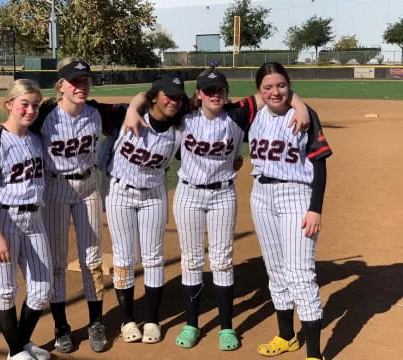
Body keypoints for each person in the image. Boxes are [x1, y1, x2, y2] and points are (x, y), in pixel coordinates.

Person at [123, 67, 310, 352]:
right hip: (188, 194)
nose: (214, 95)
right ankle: (192, 324)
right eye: (208, 90)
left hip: (223, 194)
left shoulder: (238, 113)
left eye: (219, 90)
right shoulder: (184, 114)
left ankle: (226, 327)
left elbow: (273, 95)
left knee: (222, 260)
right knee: (192, 260)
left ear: (225, 93)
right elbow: (147, 96)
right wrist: (132, 110)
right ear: (197, 95)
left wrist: (300, 107)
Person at [249, 62, 331, 360]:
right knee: (276, 271)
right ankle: (286, 336)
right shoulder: (254, 115)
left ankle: (313, 354)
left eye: (281, 85)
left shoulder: (305, 116)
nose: (275, 91)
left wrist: (315, 208)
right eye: (268, 87)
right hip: (261, 195)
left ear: (289, 85)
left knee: (299, 273)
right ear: (259, 92)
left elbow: (320, 164)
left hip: (296, 195)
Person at [101, 74, 188, 344]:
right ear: (154, 97)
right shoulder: (124, 116)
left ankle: (152, 319)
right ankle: (127, 319)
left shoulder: (179, 129)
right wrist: (132, 107)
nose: (173, 101)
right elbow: (88, 106)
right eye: (168, 95)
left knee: (153, 257)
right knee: (124, 258)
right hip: (119, 192)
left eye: (177, 97)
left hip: (153, 196)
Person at [30, 57, 108, 353]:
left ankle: (96, 323)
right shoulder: (44, 115)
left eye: (85, 80)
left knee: (93, 258)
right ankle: (62, 327)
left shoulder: (97, 112)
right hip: (55, 188)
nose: (81, 86)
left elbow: (140, 109)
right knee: (58, 261)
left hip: (88, 187)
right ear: (60, 86)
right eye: (74, 81)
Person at [0, 79, 52, 360]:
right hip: (2, 218)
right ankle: (17, 352)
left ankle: (20, 343)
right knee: (5, 289)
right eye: (24, 104)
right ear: (9, 104)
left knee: (42, 287)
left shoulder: (35, 138)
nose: (30, 110)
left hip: (34, 219)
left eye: (36, 105)